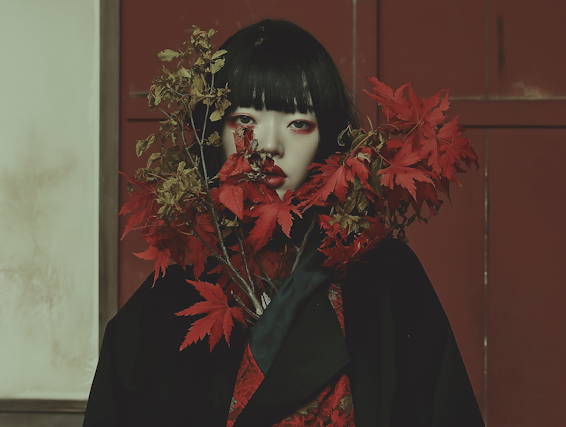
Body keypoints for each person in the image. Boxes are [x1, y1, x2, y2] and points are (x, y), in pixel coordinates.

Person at [83, 20, 485, 427]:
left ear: (327, 137)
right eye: (244, 120)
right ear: (212, 134)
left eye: (298, 123)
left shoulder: (382, 270)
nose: (269, 144)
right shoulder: (182, 280)